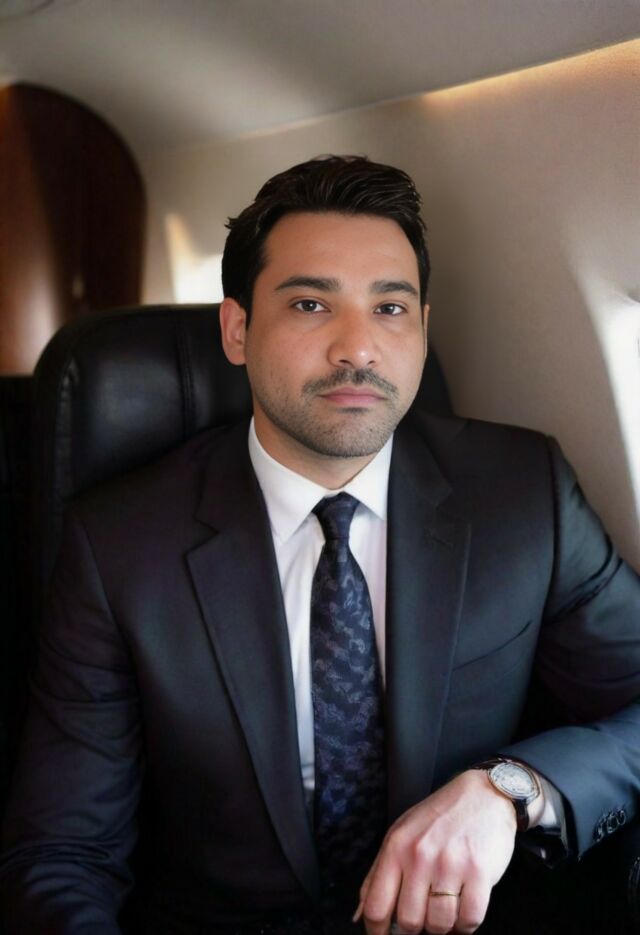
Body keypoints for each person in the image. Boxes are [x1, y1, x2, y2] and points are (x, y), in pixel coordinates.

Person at [1, 155, 640, 935]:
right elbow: (63, 853)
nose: (358, 348)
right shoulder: (120, 546)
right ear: (237, 329)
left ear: (423, 327)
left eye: (390, 308)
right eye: (310, 304)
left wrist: (513, 788)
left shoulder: (521, 494)